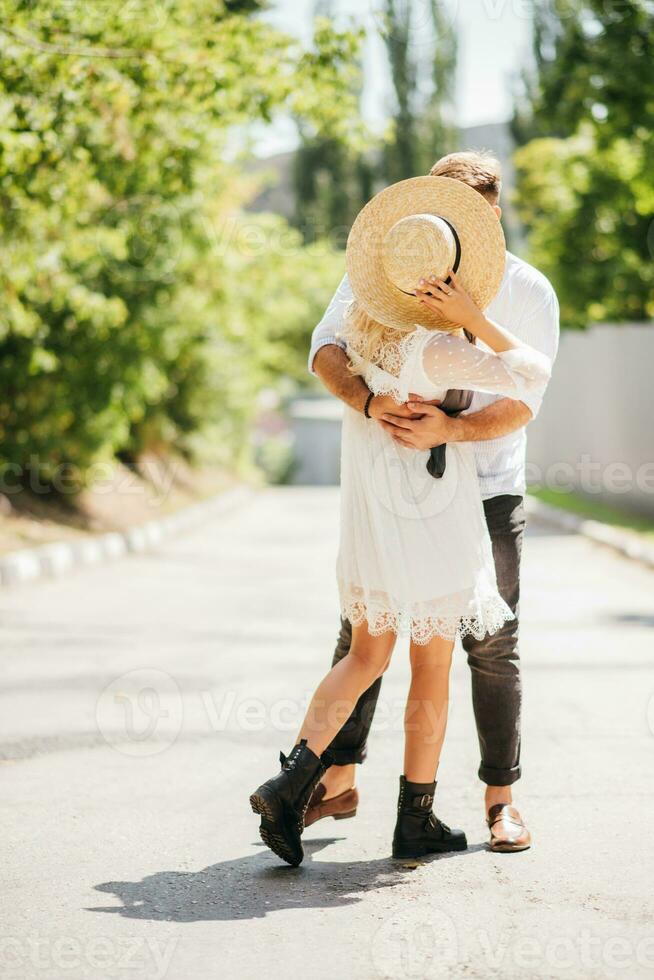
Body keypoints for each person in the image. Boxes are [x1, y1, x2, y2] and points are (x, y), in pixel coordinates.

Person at [250, 161, 553, 867]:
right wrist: (472, 319)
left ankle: (293, 780)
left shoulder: (367, 307)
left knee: (365, 651)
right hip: (435, 516)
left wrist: (372, 399)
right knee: (431, 666)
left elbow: (330, 350)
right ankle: (414, 817)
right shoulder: (437, 344)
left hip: (372, 515)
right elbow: (532, 377)